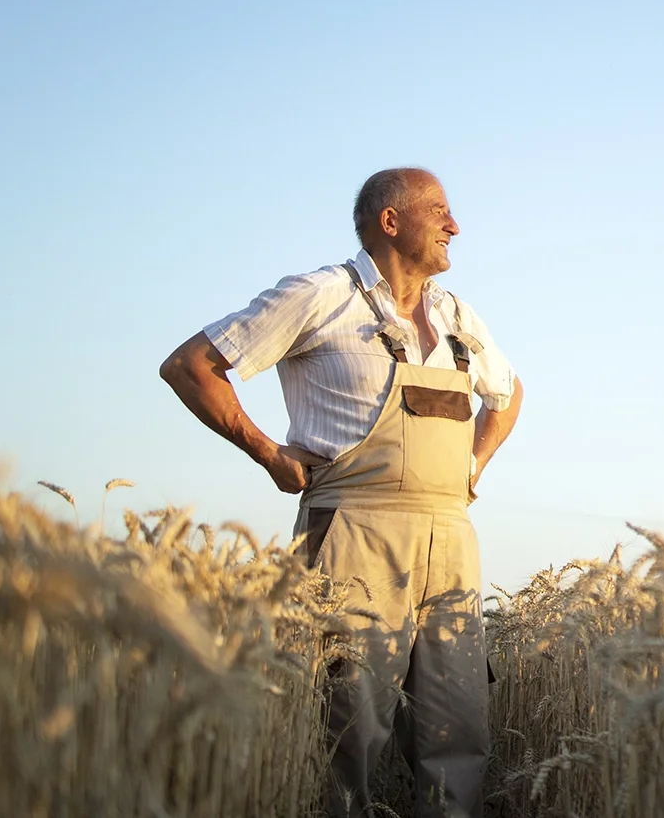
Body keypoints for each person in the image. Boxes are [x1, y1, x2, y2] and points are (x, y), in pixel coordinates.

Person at [158, 166, 524, 818]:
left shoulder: (457, 314)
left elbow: (509, 394)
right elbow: (192, 366)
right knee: (344, 733)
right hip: (352, 536)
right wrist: (267, 452)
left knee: (458, 734)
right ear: (391, 221)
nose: (455, 226)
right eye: (439, 210)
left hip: (452, 548)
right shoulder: (321, 295)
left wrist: (474, 466)